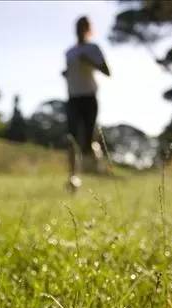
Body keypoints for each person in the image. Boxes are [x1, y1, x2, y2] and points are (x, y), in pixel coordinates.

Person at [63, 16, 110, 191]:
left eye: (83, 26)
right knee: (71, 139)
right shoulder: (69, 52)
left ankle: (97, 162)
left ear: (88, 29)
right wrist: (66, 73)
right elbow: (70, 71)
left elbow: (107, 71)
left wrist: (89, 61)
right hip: (72, 97)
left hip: (89, 97)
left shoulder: (93, 48)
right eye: (77, 26)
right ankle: (73, 177)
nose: (79, 29)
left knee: (87, 141)